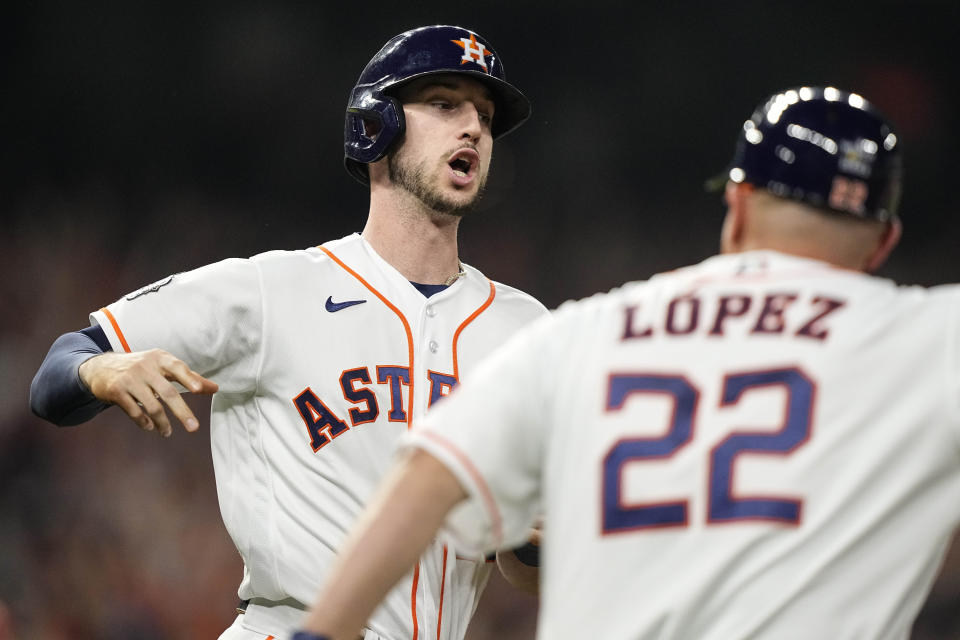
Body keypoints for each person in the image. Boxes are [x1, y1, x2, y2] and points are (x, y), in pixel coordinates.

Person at [292, 86, 960, 640]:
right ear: (884, 243)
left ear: (739, 206)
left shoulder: (590, 329)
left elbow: (428, 472)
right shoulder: (926, 338)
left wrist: (316, 635)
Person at [30, 25, 547, 640]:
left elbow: (523, 569)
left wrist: (535, 538)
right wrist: (101, 368)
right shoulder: (274, 291)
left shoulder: (526, 329)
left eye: (485, 118)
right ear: (377, 125)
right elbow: (54, 376)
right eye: (444, 104)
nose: (473, 129)